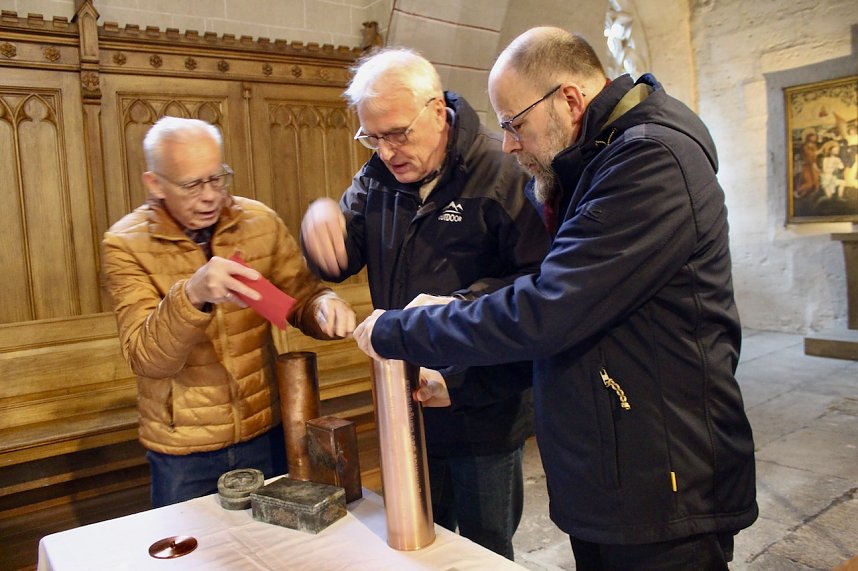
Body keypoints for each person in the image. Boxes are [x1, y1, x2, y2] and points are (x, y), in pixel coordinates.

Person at [354, 27, 758, 570]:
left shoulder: (649, 163)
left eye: (515, 124)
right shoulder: (596, 164)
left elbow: (548, 309)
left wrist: (397, 330)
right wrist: (460, 381)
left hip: (663, 484)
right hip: (615, 476)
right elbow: (576, 328)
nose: (509, 144)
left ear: (568, 100)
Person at [299, 48, 549, 559]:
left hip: (483, 401)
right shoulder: (377, 177)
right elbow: (340, 254)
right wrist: (320, 231)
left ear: (438, 111)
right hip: (404, 401)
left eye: (398, 134)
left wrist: (456, 310)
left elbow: (537, 285)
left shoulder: (501, 171)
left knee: (484, 549)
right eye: (373, 137)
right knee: (417, 542)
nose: (387, 151)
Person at [102, 116, 355, 508]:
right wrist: (193, 293)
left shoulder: (258, 221)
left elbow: (299, 298)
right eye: (192, 185)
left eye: (217, 178)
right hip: (185, 450)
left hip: (265, 428)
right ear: (155, 183)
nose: (210, 196)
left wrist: (325, 307)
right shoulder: (125, 244)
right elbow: (147, 358)